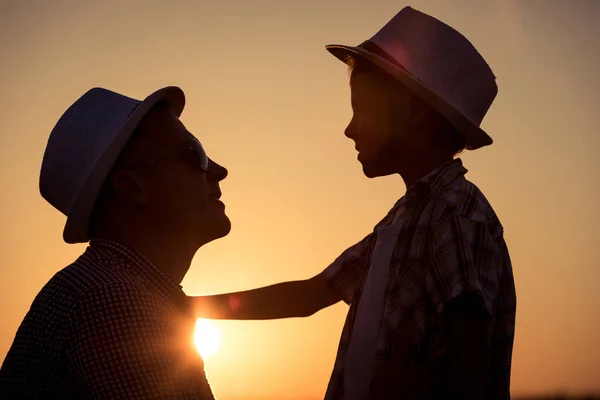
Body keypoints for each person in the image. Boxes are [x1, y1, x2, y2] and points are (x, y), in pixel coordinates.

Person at [189, 7, 516, 400]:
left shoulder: (457, 211)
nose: (349, 128)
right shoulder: (400, 223)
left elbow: (472, 340)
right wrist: (187, 306)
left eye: (360, 107)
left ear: (413, 113)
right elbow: (310, 294)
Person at [0, 86, 229, 399]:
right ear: (133, 187)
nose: (219, 171)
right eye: (195, 153)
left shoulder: (116, 289)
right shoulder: (113, 299)